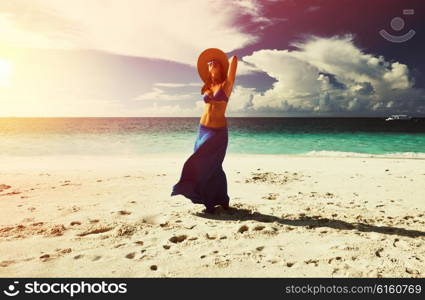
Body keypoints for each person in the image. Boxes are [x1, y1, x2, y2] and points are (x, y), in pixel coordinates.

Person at [170, 48, 238, 214]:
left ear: (221, 67)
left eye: (215, 63)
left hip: (218, 133)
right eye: (209, 63)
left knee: (214, 166)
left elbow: (234, 61)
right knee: (200, 164)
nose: (212, 64)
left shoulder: (226, 85)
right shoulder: (207, 87)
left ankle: (221, 200)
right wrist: (214, 63)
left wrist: (223, 59)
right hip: (203, 131)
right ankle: (214, 200)